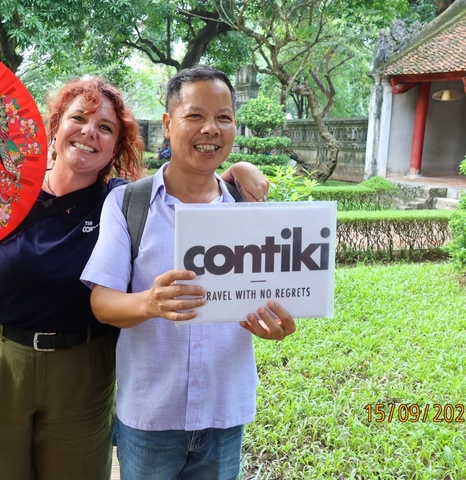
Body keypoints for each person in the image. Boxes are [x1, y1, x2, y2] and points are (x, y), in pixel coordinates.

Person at [0, 77, 271, 480]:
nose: (89, 133)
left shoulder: (120, 202)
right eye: (78, 118)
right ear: (55, 126)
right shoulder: (2, 194)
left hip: (83, 371)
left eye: (106, 128)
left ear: (117, 146)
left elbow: (187, 178)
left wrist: (236, 171)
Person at [81, 65, 297, 480]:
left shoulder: (251, 211)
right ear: (168, 124)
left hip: (224, 412)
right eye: (195, 116)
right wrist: (150, 302)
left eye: (224, 117)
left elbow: (273, 294)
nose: (210, 129)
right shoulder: (129, 205)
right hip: (150, 415)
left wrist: (278, 322)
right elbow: (101, 302)